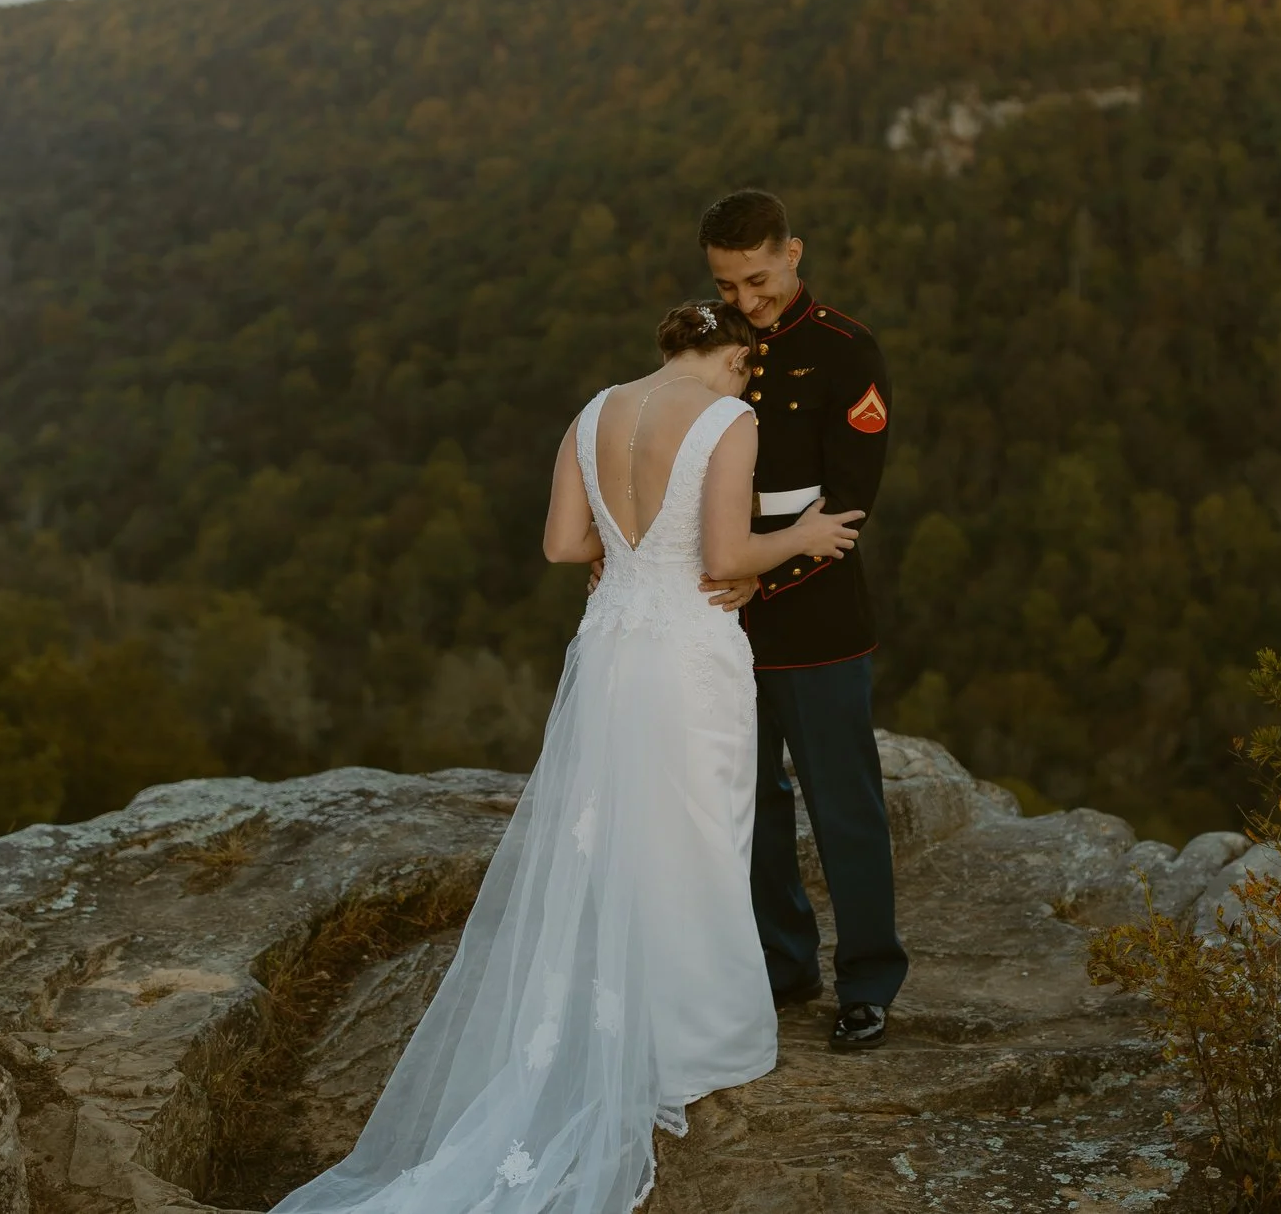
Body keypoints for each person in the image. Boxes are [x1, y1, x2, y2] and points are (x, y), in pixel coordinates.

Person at [273, 299, 863, 1214]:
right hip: (687, 651)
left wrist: (620, 555)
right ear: (732, 353)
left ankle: (615, 1022)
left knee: (617, 833)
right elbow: (723, 552)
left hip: (614, 644)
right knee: (700, 833)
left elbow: (560, 545)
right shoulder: (729, 419)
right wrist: (804, 537)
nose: (749, 380)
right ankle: (697, 1039)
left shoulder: (594, 412)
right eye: (748, 365)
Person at [698, 189, 907, 1053]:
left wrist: (759, 572)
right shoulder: (711, 343)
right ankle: (783, 963)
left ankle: (867, 978)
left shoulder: (844, 349)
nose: (745, 302)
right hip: (720, 623)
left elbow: (850, 504)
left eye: (757, 279)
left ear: (793, 252)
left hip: (815, 618)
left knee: (842, 804)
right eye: (726, 284)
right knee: (748, 805)